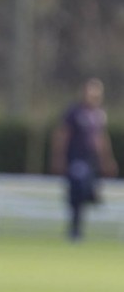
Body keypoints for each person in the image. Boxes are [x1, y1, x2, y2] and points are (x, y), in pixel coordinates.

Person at [50, 78, 119, 241]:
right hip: (76, 158)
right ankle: (75, 230)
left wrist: (107, 160)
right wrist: (58, 158)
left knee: (85, 191)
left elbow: (101, 139)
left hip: (91, 160)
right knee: (78, 189)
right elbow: (62, 135)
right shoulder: (74, 112)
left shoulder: (99, 115)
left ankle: (90, 198)